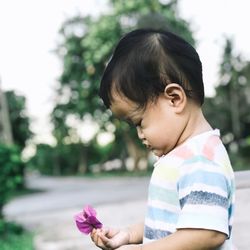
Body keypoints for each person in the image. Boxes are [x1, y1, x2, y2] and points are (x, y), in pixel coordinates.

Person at [91, 29, 235, 250]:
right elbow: (172, 224)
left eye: (139, 122)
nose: (139, 134)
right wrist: (128, 234)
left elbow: (207, 232)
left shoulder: (201, 159)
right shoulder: (183, 156)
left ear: (174, 99)